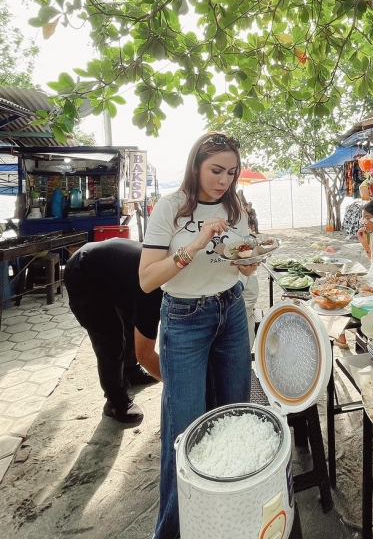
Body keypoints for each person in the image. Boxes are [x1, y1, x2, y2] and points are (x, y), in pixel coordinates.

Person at [139, 132, 260, 539]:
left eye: (231, 171)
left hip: (231, 310)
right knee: (184, 430)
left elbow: (241, 257)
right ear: (195, 166)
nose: (224, 179)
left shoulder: (235, 204)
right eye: (215, 170)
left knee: (234, 415)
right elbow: (147, 279)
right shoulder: (170, 208)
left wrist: (249, 260)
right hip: (185, 317)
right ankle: (172, 530)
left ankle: (226, 520)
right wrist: (198, 241)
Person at [64, 239, 162, 424]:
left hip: (114, 273)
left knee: (132, 323)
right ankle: (115, 400)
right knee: (110, 339)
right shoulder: (153, 288)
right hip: (83, 272)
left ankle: (130, 371)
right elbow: (146, 351)